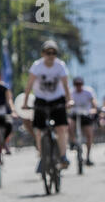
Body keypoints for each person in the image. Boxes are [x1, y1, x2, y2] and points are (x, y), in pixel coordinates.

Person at [22, 40, 73, 172]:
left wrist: (69, 101)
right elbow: (29, 86)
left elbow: (66, 86)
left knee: (61, 128)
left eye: (53, 53)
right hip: (41, 100)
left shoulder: (60, 66)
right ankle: (42, 156)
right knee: (39, 130)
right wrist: (24, 103)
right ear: (43, 53)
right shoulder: (37, 66)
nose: (51, 55)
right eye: (48, 52)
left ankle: (63, 156)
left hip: (57, 99)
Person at [68, 77, 98, 166]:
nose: (78, 86)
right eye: (77, 84)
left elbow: (93, 102)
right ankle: (73, 141)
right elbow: (68, 102)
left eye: (80, 84)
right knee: (69, 125)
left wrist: (94, 109)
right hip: (75, 115)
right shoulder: (71, 92)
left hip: (86, 114)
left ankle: (88, 156)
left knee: (89, 135)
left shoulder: (88, 92)